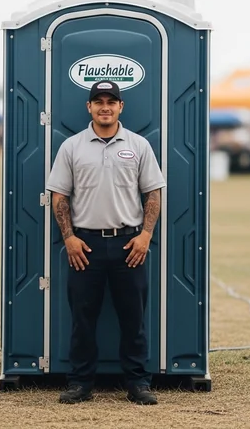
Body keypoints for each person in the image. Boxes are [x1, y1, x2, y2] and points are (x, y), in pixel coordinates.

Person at [45, 80, 166, 405]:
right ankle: (80, 382)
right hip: (86, 247)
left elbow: (152, 193)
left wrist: (146, 235)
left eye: (111, 101)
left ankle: (138, 382)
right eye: (98, 101)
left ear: (120, 107)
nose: (105, 107)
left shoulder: (139, 145)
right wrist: (68, 238)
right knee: (83, 318)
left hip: (130, 245)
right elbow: (59, 195)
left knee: (133, 317)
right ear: (89, 107)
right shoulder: (71, 147)